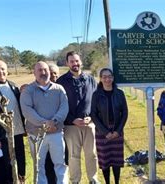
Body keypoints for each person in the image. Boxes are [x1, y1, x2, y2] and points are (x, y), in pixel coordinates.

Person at [20, 61, 69, 183]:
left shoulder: (59, 89)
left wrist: (54, 121)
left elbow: (64, 107)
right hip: (37, 135)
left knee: (60, 163)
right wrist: (45, 123)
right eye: (40, 70)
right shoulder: (28, 90)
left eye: (45, 70)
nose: (43, 72)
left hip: (56, 133)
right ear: (34, 73)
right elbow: (27, 110)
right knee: (39, 166)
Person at [57, 51, 99, 184]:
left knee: (91, 154)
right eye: (72, 61)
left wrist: (91, 118)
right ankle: (75, 180)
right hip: (71, 125)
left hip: (89, 124)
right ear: (67, 63)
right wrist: (72, 119)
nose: (75, 63)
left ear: (80, 62)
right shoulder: (62, 81)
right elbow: (59, 105)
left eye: (77, 61)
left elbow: (97, 101)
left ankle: (93, 179)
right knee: (74, 156)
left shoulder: (91, 79)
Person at [90, 68, 128, 184]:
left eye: (109, 76)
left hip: (117, 130)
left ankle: (116, 182)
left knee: (116, 160)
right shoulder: (96, 95)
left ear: (113, 78)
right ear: (100, 79)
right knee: (105, 161)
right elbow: (93, 114)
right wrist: (105, 132)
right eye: (104, 77)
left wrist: (118, 130)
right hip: (102, 132)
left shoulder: (119, 93)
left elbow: (125, 113)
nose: (107, 79)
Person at [45, 62, 61, 184]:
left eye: (55, 73)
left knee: (61, 160)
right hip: (46, 132)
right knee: (47, 162)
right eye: (50, 73)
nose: (53, 76)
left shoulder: (61, 88)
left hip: (61, 130)